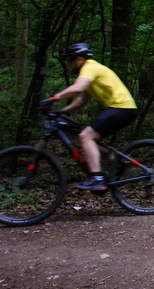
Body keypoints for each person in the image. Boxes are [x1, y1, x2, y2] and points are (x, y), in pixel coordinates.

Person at [39, 43, 137, 190]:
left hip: (121, 108)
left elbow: (77, 88)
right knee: (89, 138)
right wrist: (62, 111)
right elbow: (81, 101)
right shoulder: (92, 71)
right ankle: (116, 164)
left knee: (86, 136)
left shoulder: (90, 67)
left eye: (71, 60)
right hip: (124, 109)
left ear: (80, 59)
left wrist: (52, 99)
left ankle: (97, 178)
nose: (70, 64)